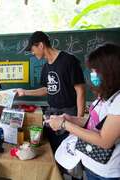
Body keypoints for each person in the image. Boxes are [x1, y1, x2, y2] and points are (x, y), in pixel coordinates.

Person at [47, 43, 120, 179]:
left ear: (110, 71)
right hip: (92, 164)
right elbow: (96, 122)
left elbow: (104, 140)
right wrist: (71, 119)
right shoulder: (105, 96)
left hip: (107, 172)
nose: (92, 74)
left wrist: (64, 124)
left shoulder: (118, 100)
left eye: (94, 70)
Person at [16, 31, 86, 153]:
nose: (32, 53)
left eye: (33, 49)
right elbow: (46, 90)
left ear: (41, 45)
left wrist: (79, 120)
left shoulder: (69, 60)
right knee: (52, 150)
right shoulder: (46, 67)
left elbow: (80, 91)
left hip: (69, 113)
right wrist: (25, 92)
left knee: (68, 151)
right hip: (52, 113)